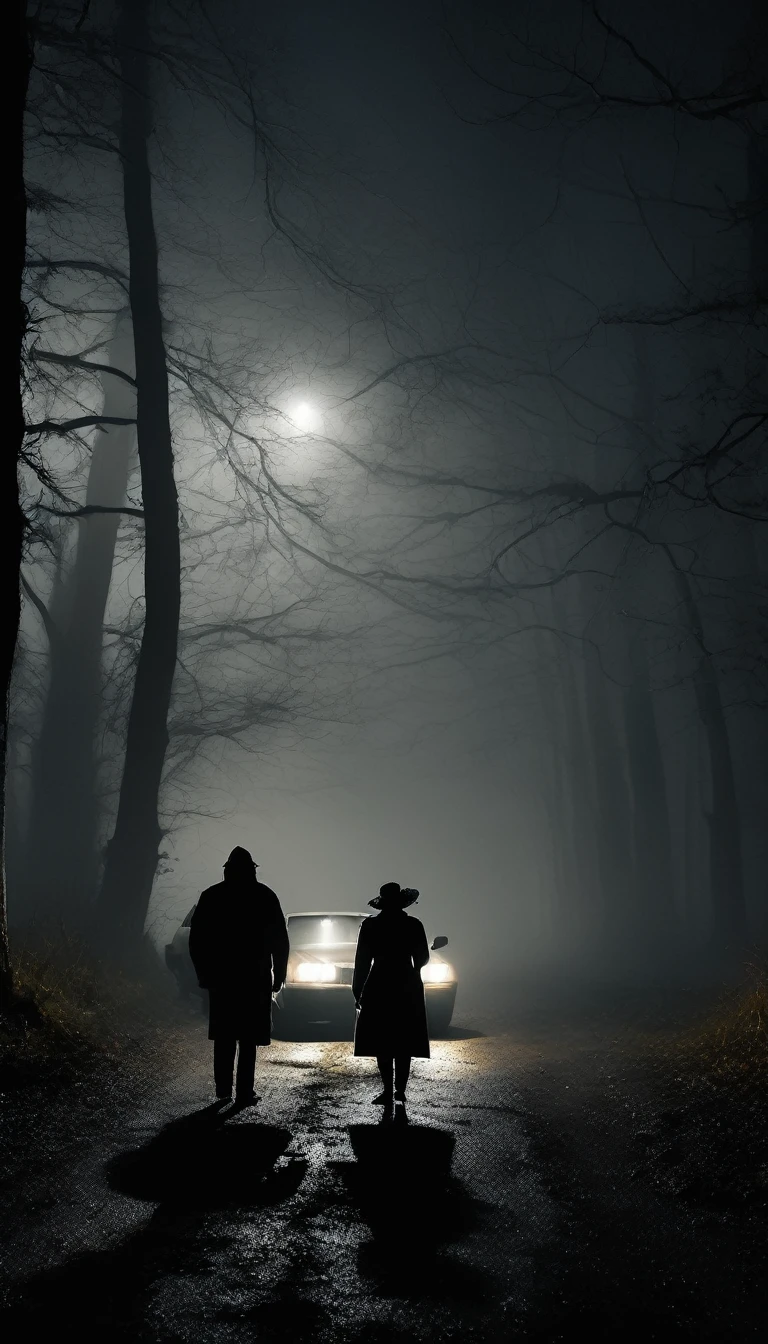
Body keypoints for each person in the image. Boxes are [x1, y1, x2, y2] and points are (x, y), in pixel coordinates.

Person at [189, 846, 289, 1106]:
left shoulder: (211, 896)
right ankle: (244, 1091)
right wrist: (279, 974)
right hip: (254, 977)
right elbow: (280, 941)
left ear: (227, 870)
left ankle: (223, 1089)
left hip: (222, 978)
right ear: (251, 870)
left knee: (224, 1036)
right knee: (248, 1037)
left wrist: (203, 973)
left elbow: (197, 941)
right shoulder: (265, 896)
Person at [352, 882, 431, 1107]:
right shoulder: (414, 925)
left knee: (382, 1039)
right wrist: (414, 972)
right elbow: (423, 957)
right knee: (404, 1038)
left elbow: (362, 962)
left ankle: (387, 1089)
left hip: (379, 983)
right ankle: (400, 1091)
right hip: (406, 983)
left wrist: (358, 990)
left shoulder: (370, 926)